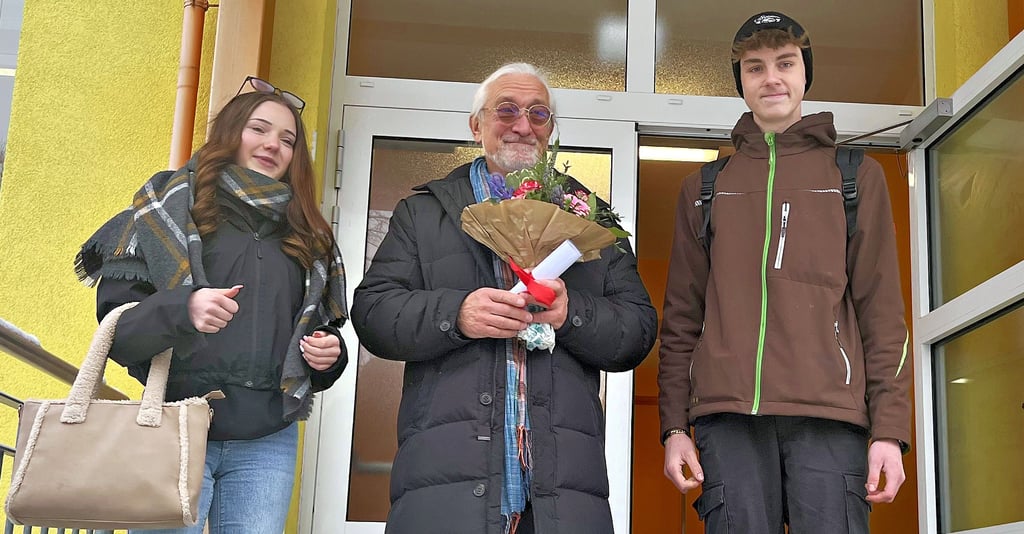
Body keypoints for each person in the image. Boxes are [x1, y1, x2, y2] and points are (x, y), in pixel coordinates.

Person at [351, 63, 657, 534]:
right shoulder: (423, 214)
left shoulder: (592, 219)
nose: (523, 125)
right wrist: (457, 314)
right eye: (507, 110)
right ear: (476, 126)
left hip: (562, 498)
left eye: (539, 113)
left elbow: (637, 331)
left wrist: (571, 314)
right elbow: (373, 313)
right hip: (448, 490)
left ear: (551, 130)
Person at [658, 11, 911, 534]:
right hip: (728, 420)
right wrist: (674, 427)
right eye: (755, 67)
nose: (771, 78)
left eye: (785, 63)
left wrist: (889, 431)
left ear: (804, 73)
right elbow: (681, 320)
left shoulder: (854, 176)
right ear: (741, 81)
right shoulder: (705, 187)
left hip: (829, 417)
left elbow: (882, 314)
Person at [74, 79, 348, 534]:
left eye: (287, 140)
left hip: (267, 438)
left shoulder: (307, 236)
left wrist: (328, 355)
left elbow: (315, 335)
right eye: (259, 129)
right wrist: (184, 308)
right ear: (229, 133)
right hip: (174, 424)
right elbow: (118, 335)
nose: (273, 145)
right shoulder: (166, 211)